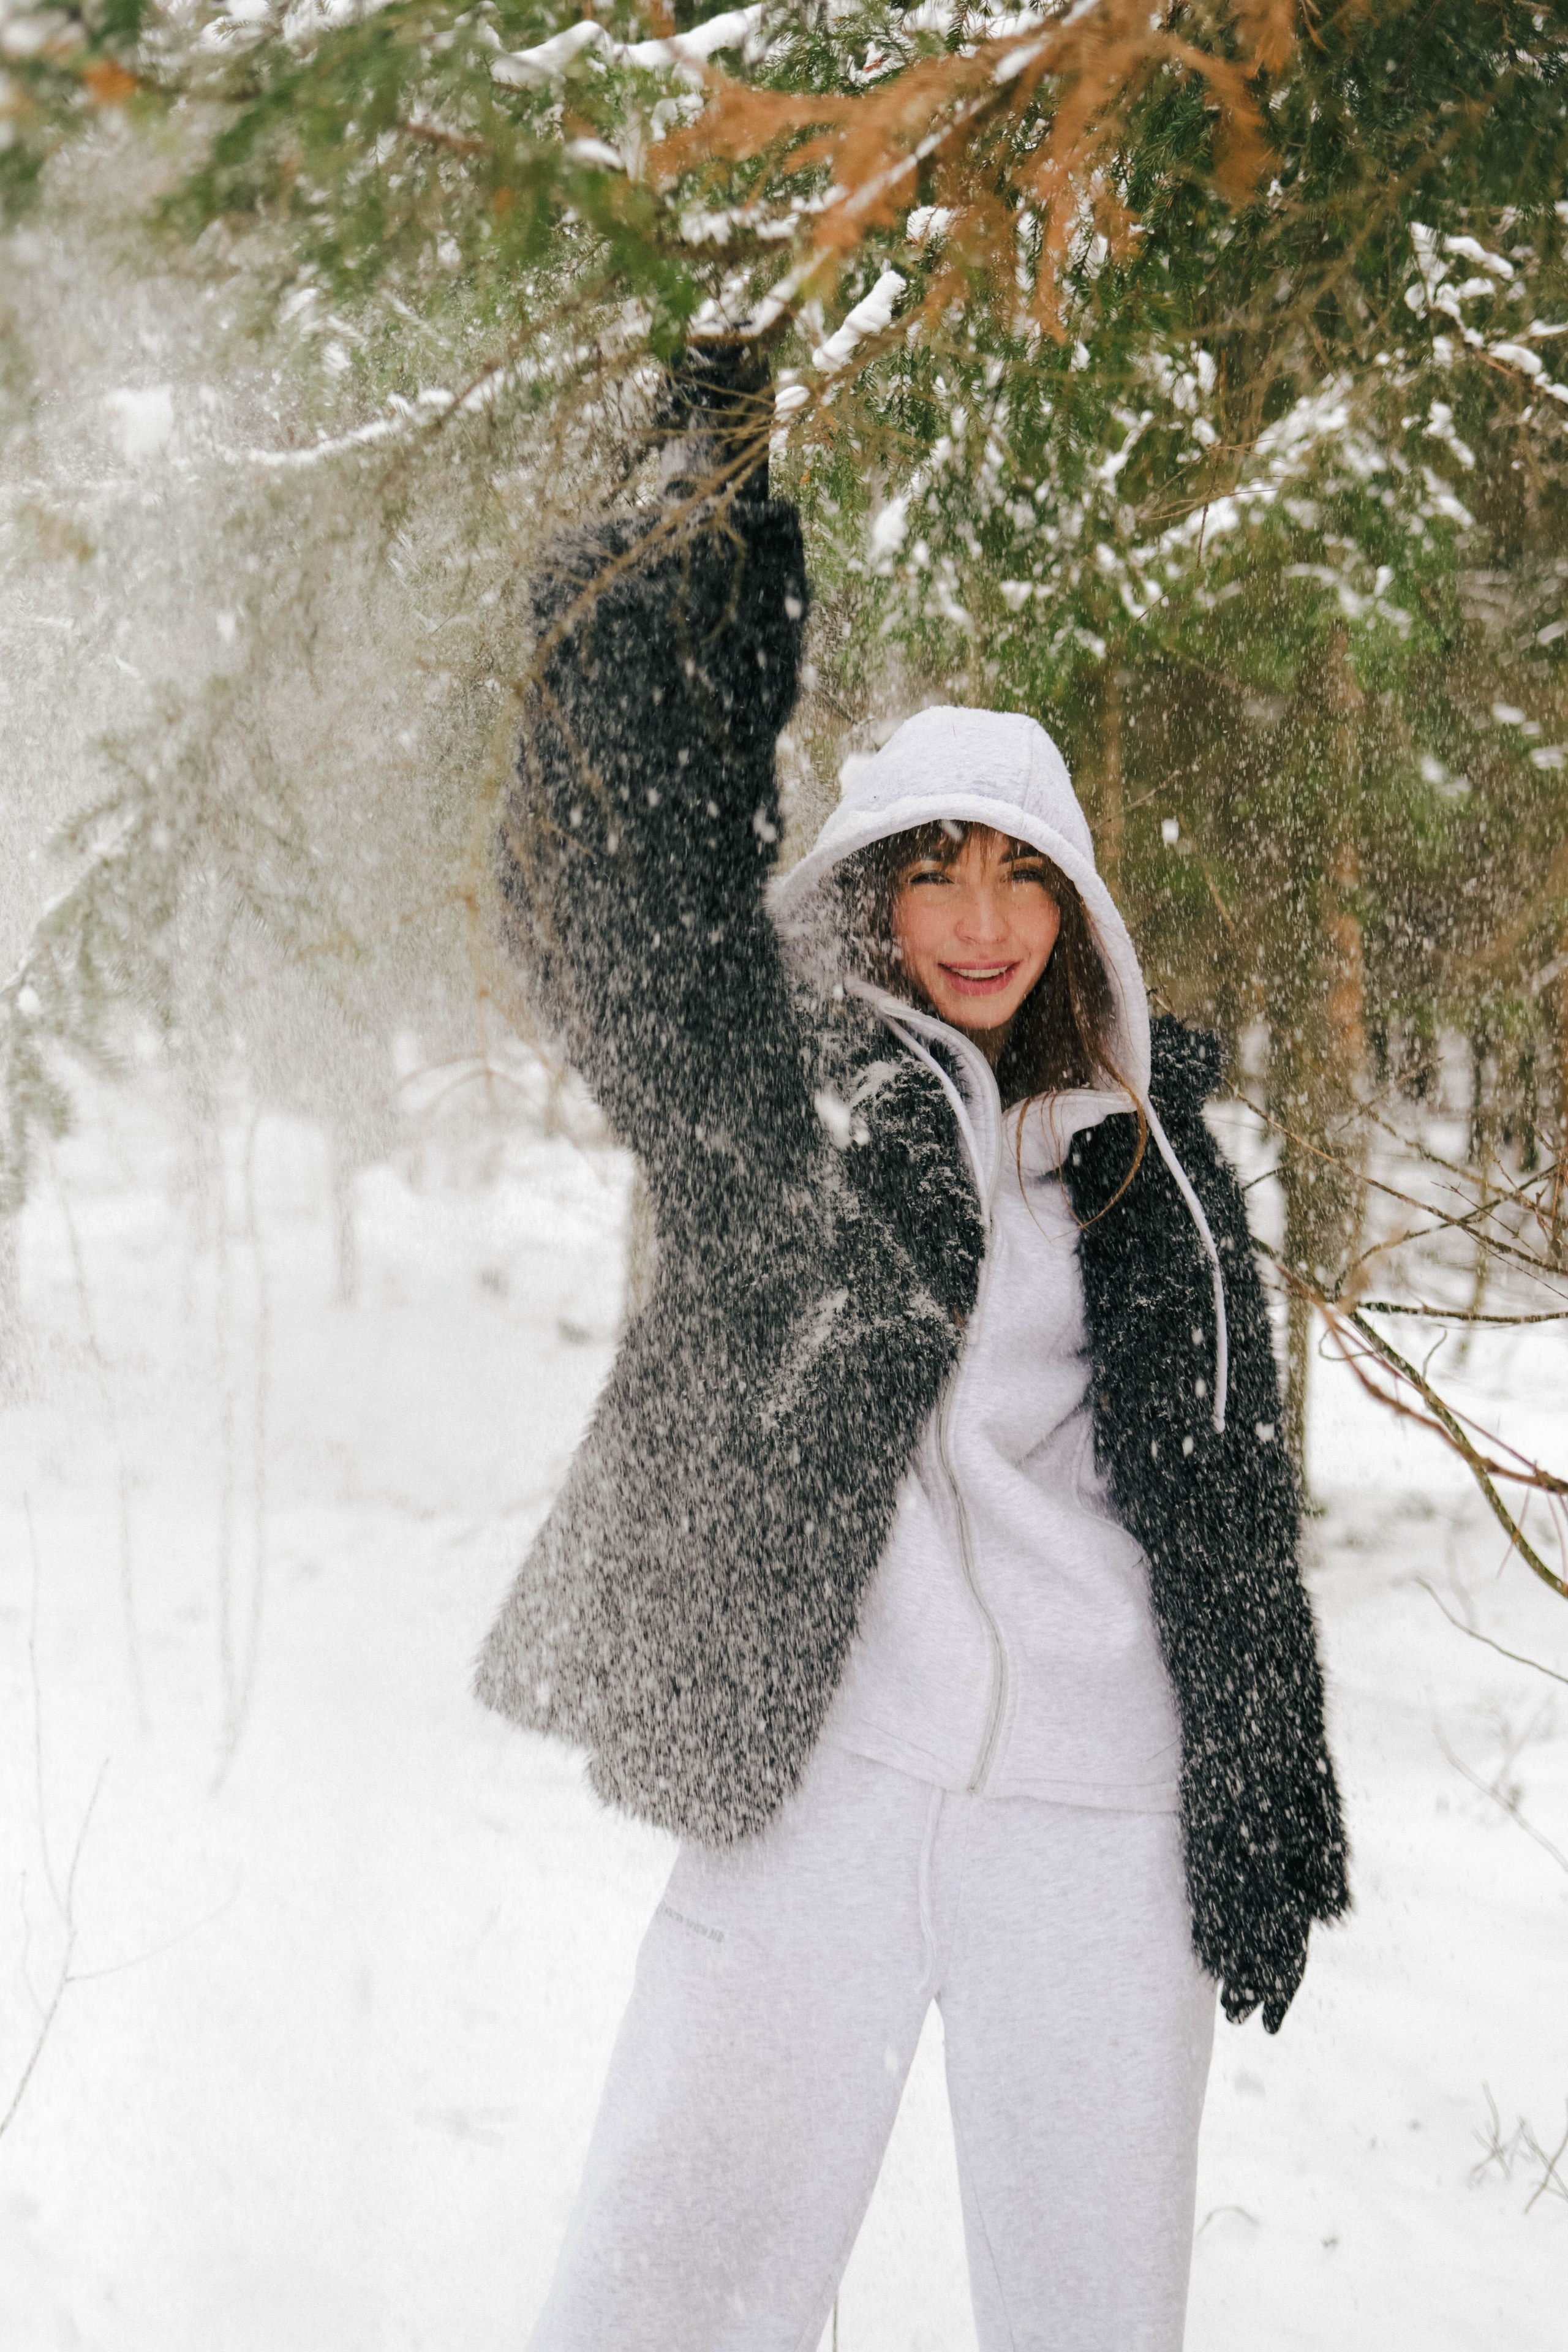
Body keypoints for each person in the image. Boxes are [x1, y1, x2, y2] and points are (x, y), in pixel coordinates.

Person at [475, 353, 1349, 2352]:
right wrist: (696, 580)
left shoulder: (1155, 1167)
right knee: (665, 2291)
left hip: (1103, 1819)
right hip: (830, 1776)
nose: (977, 919)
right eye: (935, 866)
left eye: (1020, 871)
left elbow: (1222, 1499)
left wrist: (1264, 1762)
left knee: (1093, 2312)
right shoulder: (795, 1113)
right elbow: (624, 917)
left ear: (1076, 902)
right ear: (872, 886)